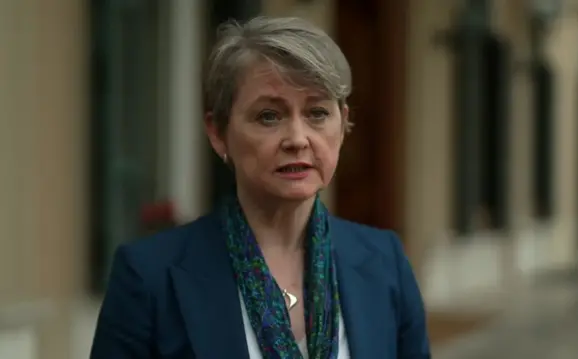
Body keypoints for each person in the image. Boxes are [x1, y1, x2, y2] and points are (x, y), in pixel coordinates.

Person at [90, 16, 430, 359]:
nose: (297, 139)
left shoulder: (384, 262)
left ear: (342, 124)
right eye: (269, 116)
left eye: (317, 113)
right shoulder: (149, 276)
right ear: (218, 131)